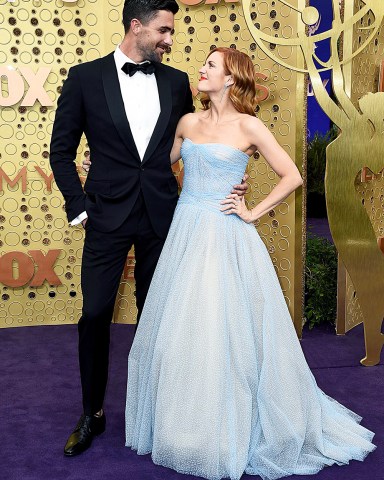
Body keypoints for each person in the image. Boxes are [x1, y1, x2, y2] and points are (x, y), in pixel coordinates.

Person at [124, 48, 376, 480]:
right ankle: (184, 426)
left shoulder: (250, 126)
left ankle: (228, 425)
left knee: (227, 332)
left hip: (226, 235)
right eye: (203, 64)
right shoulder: (186, 122)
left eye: (211, 66)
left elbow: (293, 175)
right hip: (186, 231)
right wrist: (106, 164)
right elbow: (155, 165)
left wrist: (252, 211)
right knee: (182, 332)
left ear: (230, 79)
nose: (202, 70)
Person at [50, 0, 248, 458]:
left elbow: (198, 137)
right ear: (136, 26)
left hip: (164, 217)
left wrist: (235, 165)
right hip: (105, 216)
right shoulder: (84, 79)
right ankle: (91, 412)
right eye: (163, 30)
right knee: (96, 313)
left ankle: (161, 410)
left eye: (172, 32)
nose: (169, 40)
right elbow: (61, 151)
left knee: (159, 315)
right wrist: (79, 205)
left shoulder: (177, 82)